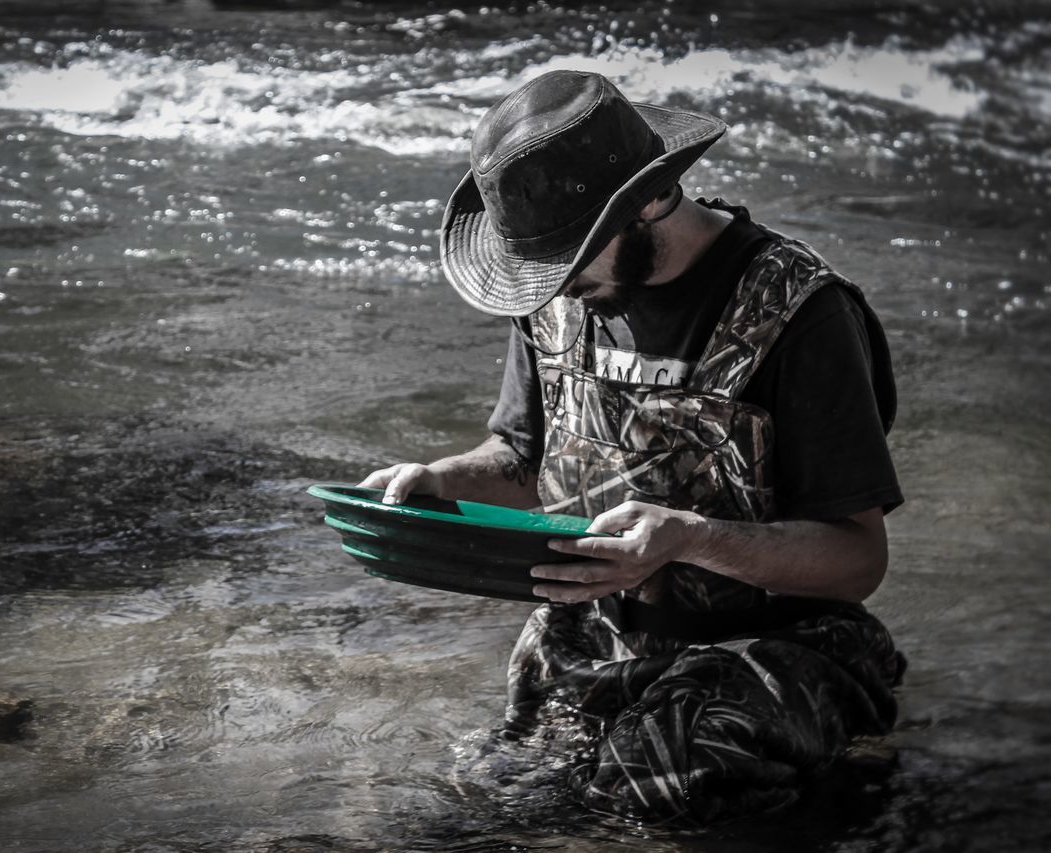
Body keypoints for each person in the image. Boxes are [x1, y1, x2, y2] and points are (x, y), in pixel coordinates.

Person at [358, 69, 906, 825]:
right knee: (488, 799)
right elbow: (523, 463)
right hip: (598, 633)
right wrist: (437, 481)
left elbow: (858, 561)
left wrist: (691, 538)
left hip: (783, 644)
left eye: (570, 255)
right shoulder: (557, 297)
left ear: (651, 198)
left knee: (664, 783)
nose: (551, 286)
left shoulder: (801, 313)